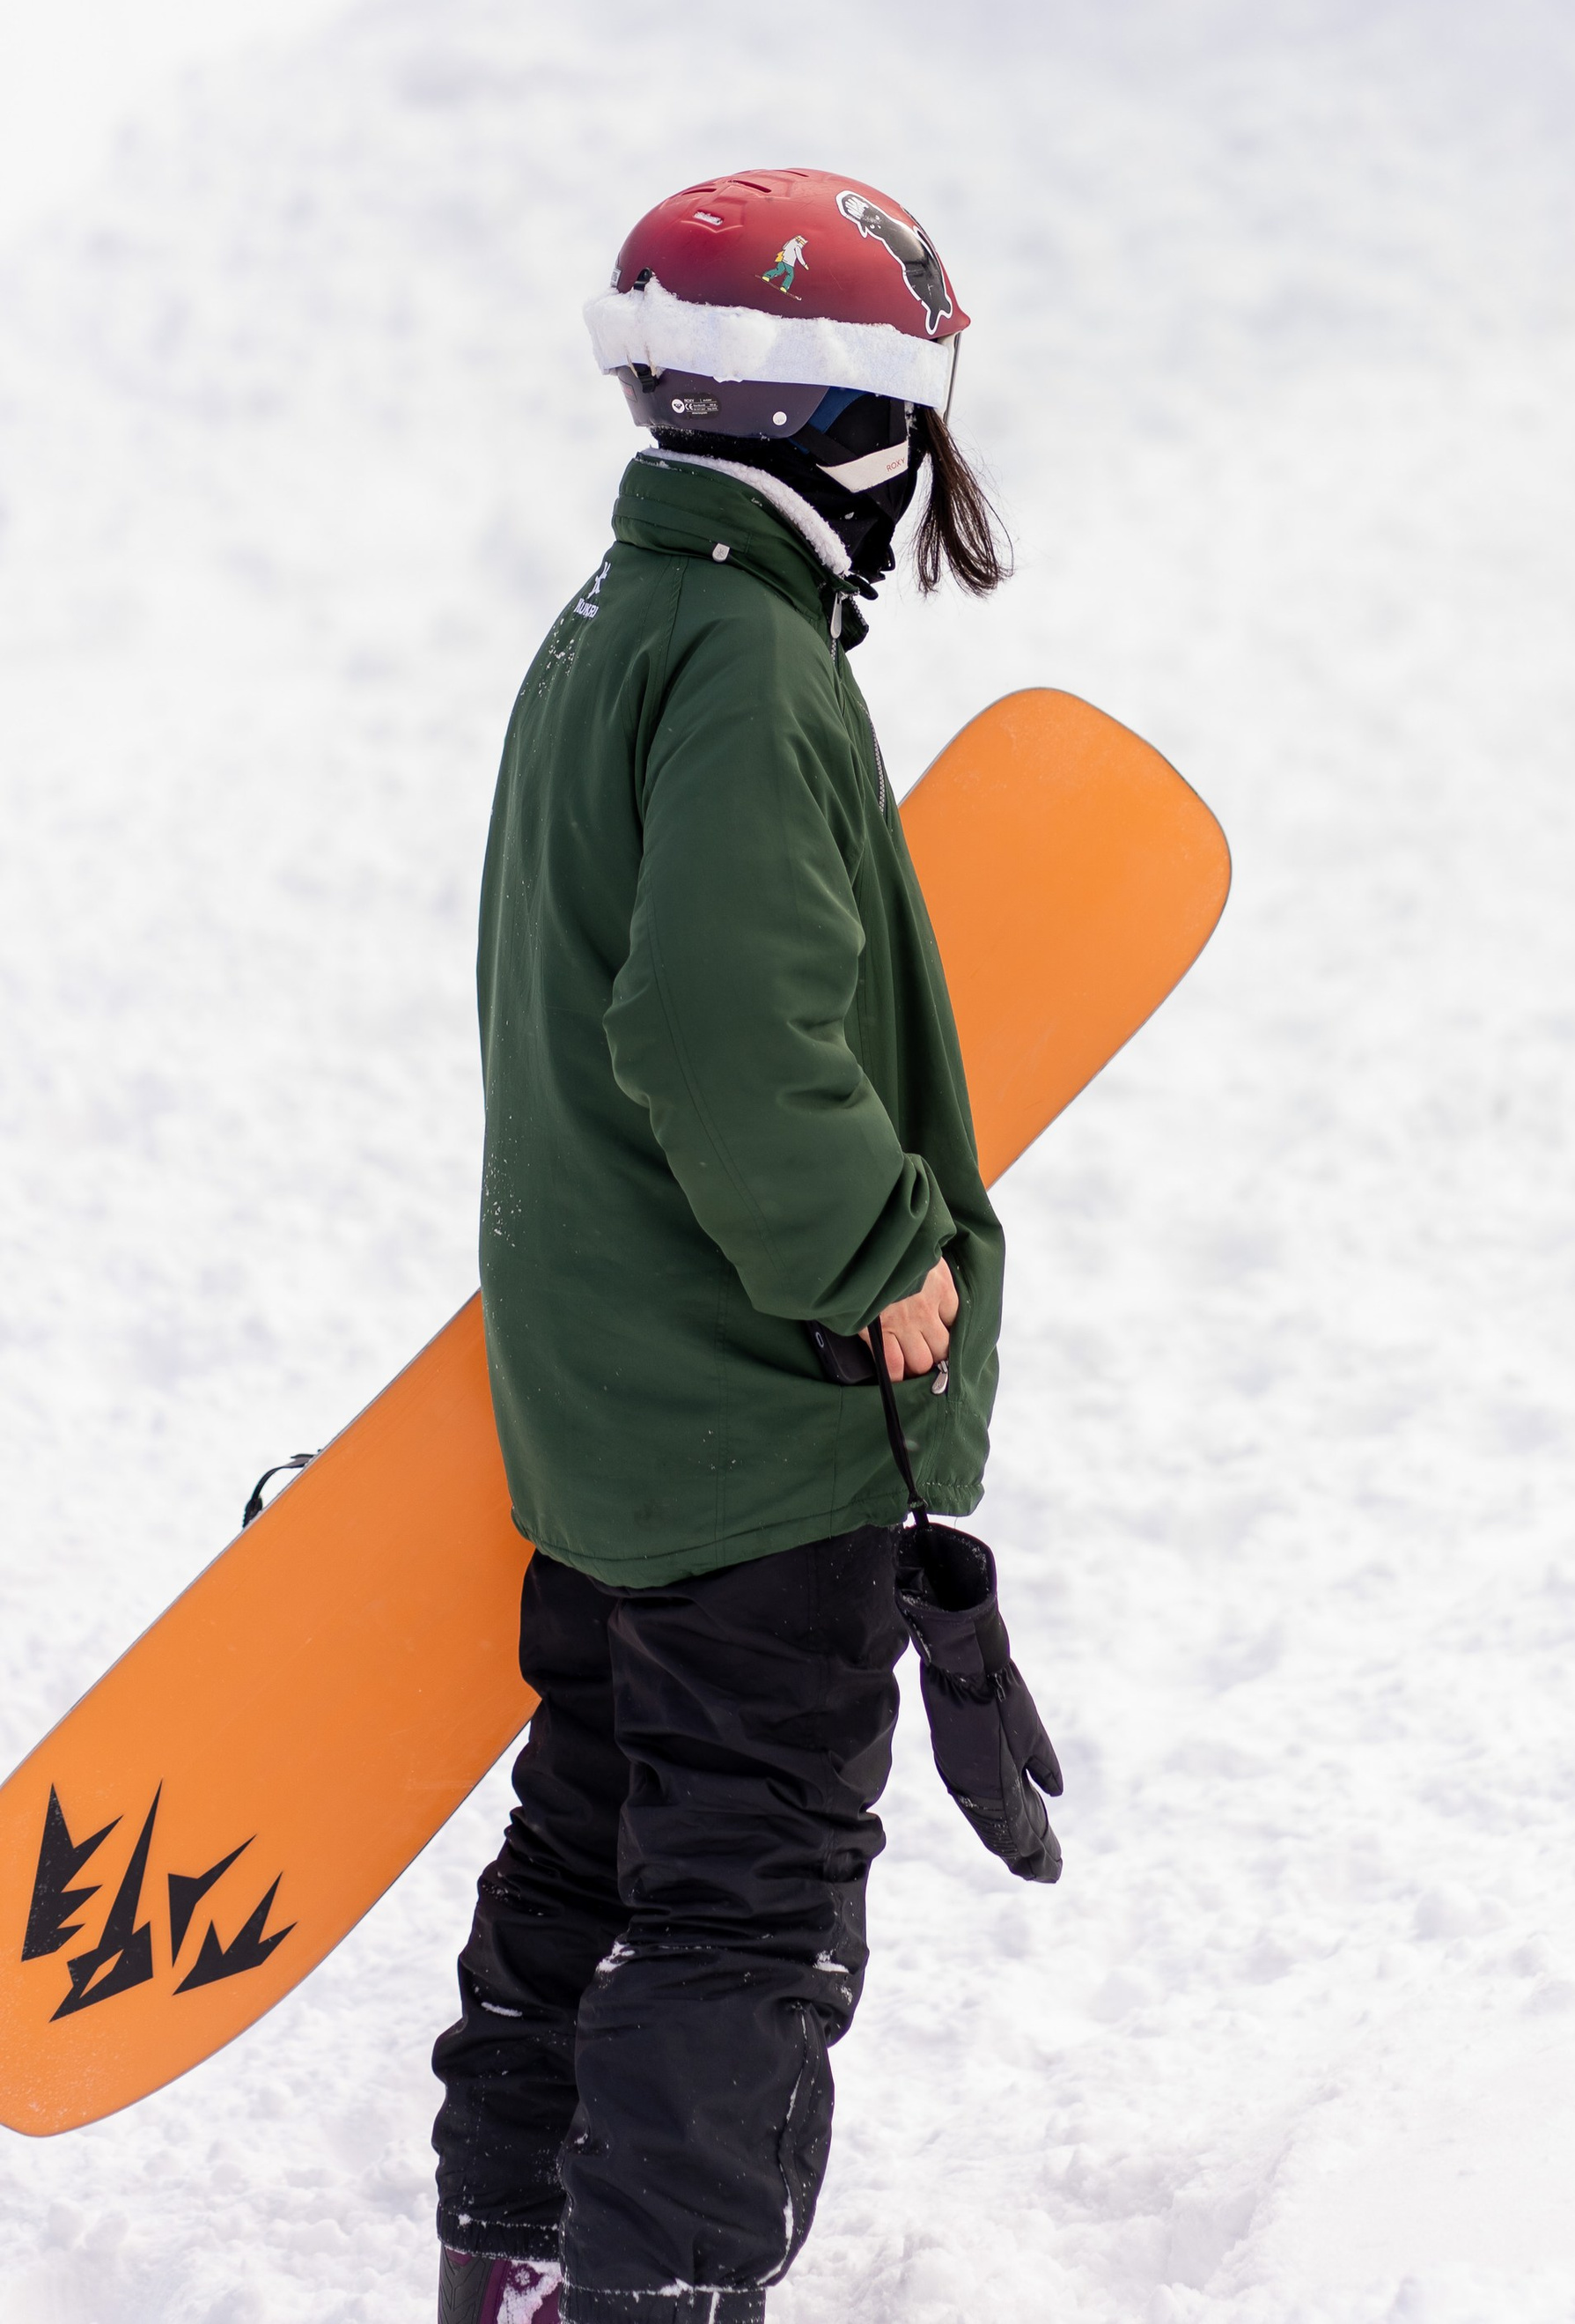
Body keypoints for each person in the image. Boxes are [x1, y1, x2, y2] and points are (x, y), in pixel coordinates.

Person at [431, 168, 1016, 2324]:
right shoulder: (752, 665)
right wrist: (878, 1258)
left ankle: (506, 2253)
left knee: (589, 1824)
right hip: (749, 1417)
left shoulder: (617, 628)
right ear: (846, 434)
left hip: (603, 1411)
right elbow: (707, 1024)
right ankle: (656, 2292)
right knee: (744, 1890)